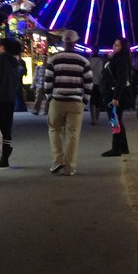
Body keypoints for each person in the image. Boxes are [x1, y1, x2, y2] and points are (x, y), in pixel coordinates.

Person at [44, 29, 92, 176]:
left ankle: (58, 161)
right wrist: (84, 101)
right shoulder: (83, 61)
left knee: (54, 130)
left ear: (63, 41)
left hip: (57, 100)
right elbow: (89, 84)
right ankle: (70, 167)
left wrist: (49, 98)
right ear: (76, 42)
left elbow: (47, 82)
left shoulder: (53, 60)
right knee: (73, 134)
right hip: (76, 101)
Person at [0, 37, 21, 168]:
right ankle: (5, 154)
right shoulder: (14, 61)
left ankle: (4, 155)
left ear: (2, 47)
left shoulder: (1, 59)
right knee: (6, 128)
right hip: (10, 98)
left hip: (0, 98)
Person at [100, 36, 132, 157]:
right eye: (114, 44)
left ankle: (116, 148)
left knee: (115, 121)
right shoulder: (117, 58)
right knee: (117, 120)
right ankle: (123, 147)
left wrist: (116, 97)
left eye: (117, 45)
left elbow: (122, 80)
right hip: (114, 93)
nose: (114, 46)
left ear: (123, 47)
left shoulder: (121, 60)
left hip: (115, 94)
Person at [90, 53, 106, 126]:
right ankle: (96, 117)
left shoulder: (89, 60)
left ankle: (93, 119)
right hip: (100, 83)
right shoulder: (101, 61)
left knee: (92, 102)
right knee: (98, 102)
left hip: (91, 83)